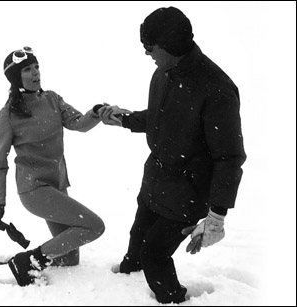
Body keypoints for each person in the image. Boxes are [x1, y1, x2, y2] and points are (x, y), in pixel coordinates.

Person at [100, 7, 247, 304]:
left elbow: (229, 157)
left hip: (188, 191)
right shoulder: (164, 73)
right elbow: (160, 117)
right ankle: (128, 276)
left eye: (149, 47)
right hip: (155, 177)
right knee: (137, 236)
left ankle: (173, 299)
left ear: (169, 44)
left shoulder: (216, 89)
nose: (146, 54)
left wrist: (217, 215)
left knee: (154, 254)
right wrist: (124, 119)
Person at [0, 46, 107, 287]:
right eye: (27, 69)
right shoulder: (7, 115)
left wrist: (96, 113)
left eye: (36, 67)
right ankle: (28, 262)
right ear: (15, 77)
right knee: (94, 226)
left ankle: (33, 260)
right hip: (34, 190)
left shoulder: (52, 99)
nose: (35, 73)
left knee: (70, 257)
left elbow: (78, 123)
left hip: (58, 185)